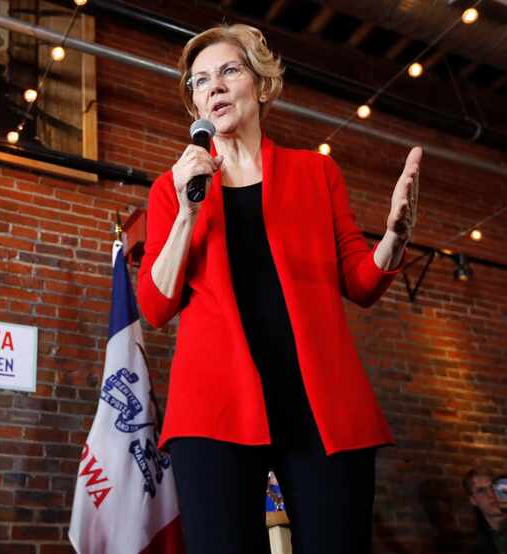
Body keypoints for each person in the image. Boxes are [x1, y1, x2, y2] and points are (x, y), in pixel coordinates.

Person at [136, 24, 421, 554]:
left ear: (261, 84)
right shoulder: (173, 188)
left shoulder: (316, 173)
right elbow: (154, 306)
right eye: (199, 82)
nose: (213, 87)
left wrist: (395, 239)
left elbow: (360, 281)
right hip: (215, 414)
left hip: (320, 408)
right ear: (195, 102)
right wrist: (187, 213)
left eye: (228, 71)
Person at [463, 467, 507, 554]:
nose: (491, 494)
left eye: (492, 487)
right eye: (481, 491)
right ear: (473, 500)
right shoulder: (477, 547)